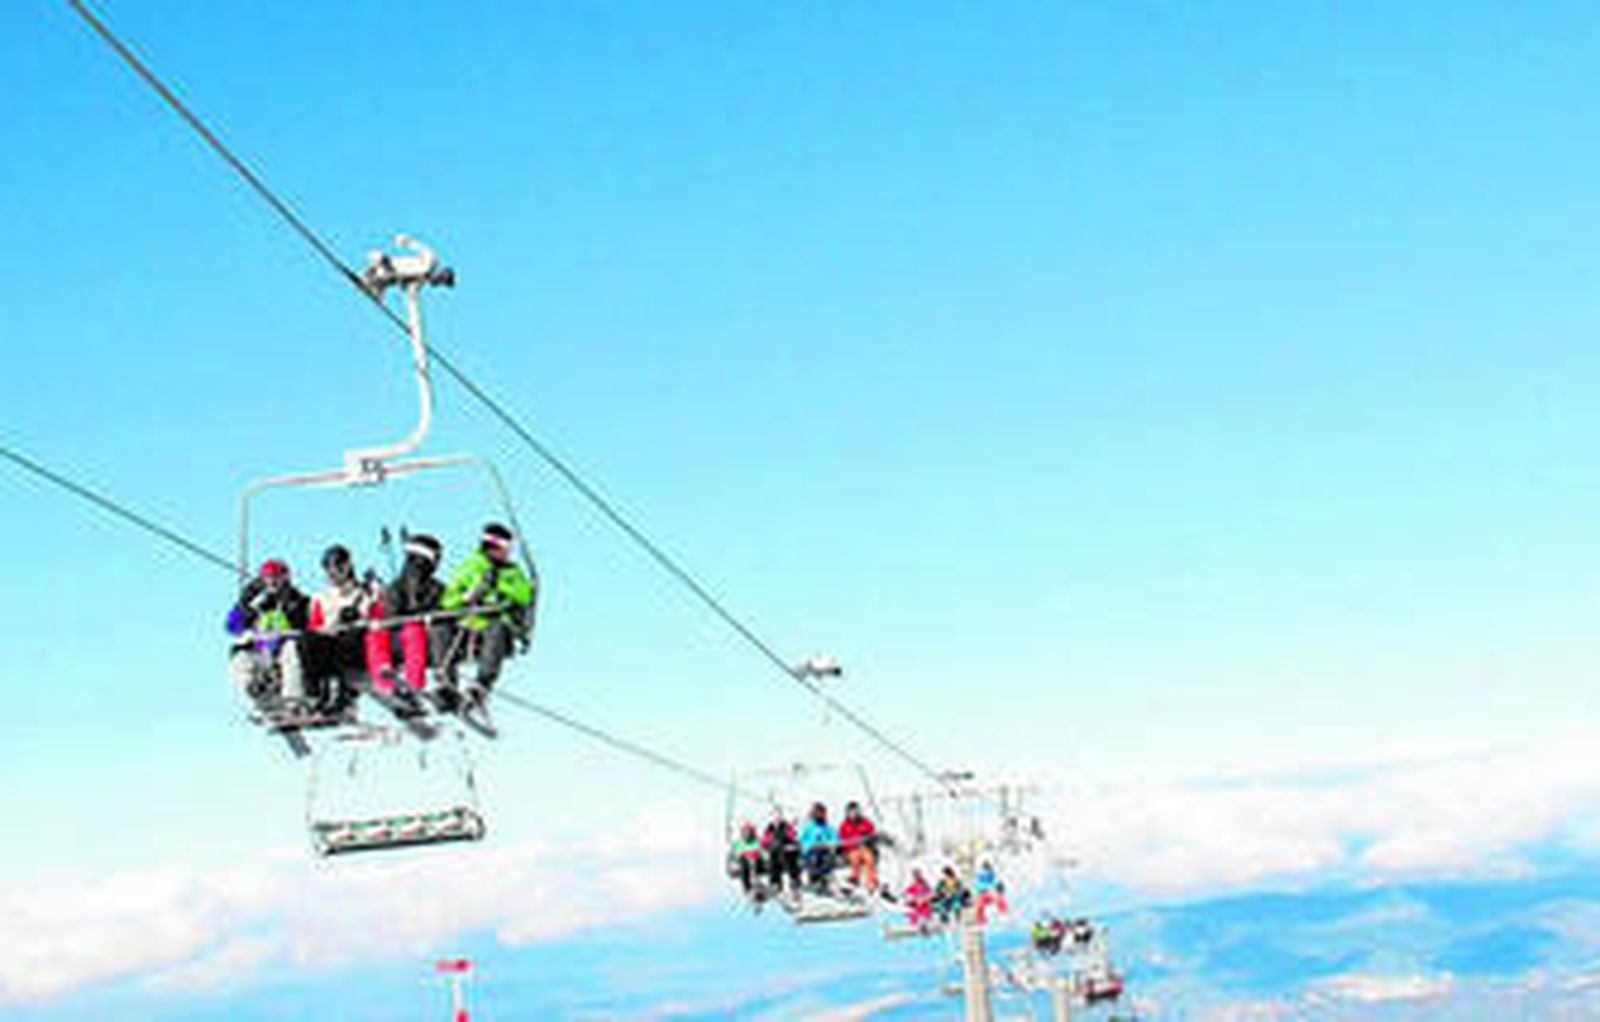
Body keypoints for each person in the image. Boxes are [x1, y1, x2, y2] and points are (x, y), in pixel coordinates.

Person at [438, 523, 536, 719]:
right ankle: (447, 684)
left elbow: (525, 595)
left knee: (497, 628)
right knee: (440, 626)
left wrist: (499, 587)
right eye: (504, 550)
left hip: (495, 627)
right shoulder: (471, 567)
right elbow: (448, 600)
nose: (506, 554)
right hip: (468, 627)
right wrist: (468, 597)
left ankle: (481, 686)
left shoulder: (512, 572)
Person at [306, 544, 388, 709]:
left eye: (338, 566)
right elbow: (314, 626)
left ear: (348, 566)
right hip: (330, 641)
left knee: (347, 638)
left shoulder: (364, 592)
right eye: (329, 568)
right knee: (309, 642)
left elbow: (379, 617)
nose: (333, 572)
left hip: (356, 644)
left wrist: (375, 595)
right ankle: (316, 693)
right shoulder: (321, 598)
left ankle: (344, 693)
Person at [226, 559, 310, 712]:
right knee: (240, 655)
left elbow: (304, 624)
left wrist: (288, 610)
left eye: (276, 578)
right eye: (268, 578)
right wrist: (243, 605)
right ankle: (254, 690)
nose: (272, 583)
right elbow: (232, 626)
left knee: (291, 650)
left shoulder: (297, 601)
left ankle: (292, 700)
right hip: (262, 650)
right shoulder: (257, 603)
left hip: (283, 651)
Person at [381, 534, 446, 696]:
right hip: (404, 641)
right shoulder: (397, 589)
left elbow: (448, 607)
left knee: (431, 631)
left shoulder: (436, 588)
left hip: (429, 641)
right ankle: (414, 686)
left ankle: (442, 683)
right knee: (413, 631)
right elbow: (390, 617)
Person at [837, 801, 880, 893]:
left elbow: (872, 834)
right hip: (851, 849)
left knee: (869, 859)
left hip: (864, 848)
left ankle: (872, 882)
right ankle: (854, 878)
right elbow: (841, 839)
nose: (854, 814)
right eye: (851, 812)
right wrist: (844, 847)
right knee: (855, 858)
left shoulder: (865, 823)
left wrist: (870, 841)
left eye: (855, 812)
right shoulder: (845, 825)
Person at [798, 802, 839, 891]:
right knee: (813, 859)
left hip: (824, 849)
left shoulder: (828, 827)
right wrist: (809, 845)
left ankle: (824, 879)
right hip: (811, 850)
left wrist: (830, 844)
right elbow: (802, 839)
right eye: (818, 813)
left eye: (822, 813)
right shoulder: (808, 827)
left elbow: (835, 838)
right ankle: (814, 879)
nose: (820, 815)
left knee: (827, 859)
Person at [761, 811, 802, 896]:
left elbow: (793, 835)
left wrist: (789, 831)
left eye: (778, 818)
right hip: (775, 851)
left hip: (787, 850)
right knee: (773, 860)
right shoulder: (770, 828)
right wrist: (767, 842)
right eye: (775, 819)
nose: (776, 820)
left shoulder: (785, 826)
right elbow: (764, 840)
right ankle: (775, 883)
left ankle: (794, 880)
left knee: (789, 859)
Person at [728, 822, 764, 897]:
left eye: (749, 832)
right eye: (745, 832)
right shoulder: (738, 844)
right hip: (745, 863)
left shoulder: (757, 841)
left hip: (757, 862)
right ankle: (748, 887)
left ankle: (757, 884)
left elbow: (763, 852)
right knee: (744, 865)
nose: (747, 834)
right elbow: (735, 856)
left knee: (755, 863)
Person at [973, 860, 1008, 924]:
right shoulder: (981, 875)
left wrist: (999, 888)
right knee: (980, 904)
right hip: (984, 893)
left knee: (998, 899)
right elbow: (977, 884)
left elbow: (995, 881)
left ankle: (1002, 913)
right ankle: (981, 918)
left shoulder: (990, 874)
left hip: (989, 892)